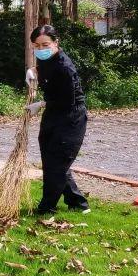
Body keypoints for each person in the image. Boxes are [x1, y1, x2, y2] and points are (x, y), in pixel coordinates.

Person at [25, 24, 90, 215]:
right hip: (53, 114)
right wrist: (33, 71)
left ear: (55, 43)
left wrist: (40, 104)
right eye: (37, 46)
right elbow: (44, 70)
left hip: (70, 117)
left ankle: (46, 208)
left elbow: (66, 100)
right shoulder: (47, 60)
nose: (41, 49)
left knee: (58, 163)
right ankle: (77, 202)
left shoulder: (65, 68)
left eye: (46, 44)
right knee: (51, 159)